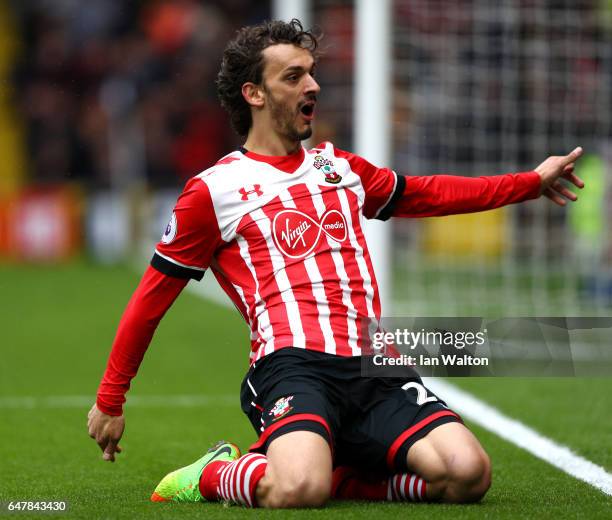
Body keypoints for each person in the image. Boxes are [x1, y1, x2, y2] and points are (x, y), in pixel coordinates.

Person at [87, 19, 584, 509]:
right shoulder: (213, 191)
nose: (313, 85)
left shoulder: (339, 167)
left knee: (467, 475)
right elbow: (151, 300)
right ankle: (216, 472)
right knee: (300, 489)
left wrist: (529, 182)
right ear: (254, 94)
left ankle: (340, 475)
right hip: (292, 366)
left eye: (311, 72)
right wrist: (111, 400)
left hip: (374, 362)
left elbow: (429, 193)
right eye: (294, 76)